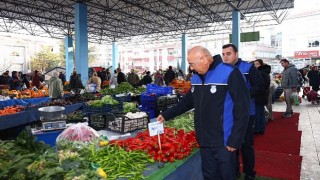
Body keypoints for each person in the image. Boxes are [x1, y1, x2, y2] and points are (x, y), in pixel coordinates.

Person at [157, 46, 250, 179]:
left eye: (192, 64)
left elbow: (243, 108)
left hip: (224, 142)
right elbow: (187, 102)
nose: (191, 68)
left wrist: (235, 139)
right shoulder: (196, 79)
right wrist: (166, 115)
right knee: (209, 176)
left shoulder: (230, 73)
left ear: (204, 59)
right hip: (205, 141)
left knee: (226, 176)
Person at [222, 44, 265, 179]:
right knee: (230, 144)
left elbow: (260, 86)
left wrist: (243, 95)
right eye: (223, 54)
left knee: (246, 145)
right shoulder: (222, 70)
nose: (225, 57)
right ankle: (234, 171)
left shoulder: (248, 68)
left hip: (247, 113)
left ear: (236, 54)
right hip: (229, 114)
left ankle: (249, 173)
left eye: (228, 54)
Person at [254, 59, 271, 131]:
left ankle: (257, 129)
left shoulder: (259, 73)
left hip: (259, 95)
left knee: (257, 112)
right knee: (261, 112)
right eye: (254, 64)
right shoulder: (265, 73)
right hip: (263, 95)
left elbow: (258, 86)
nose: (255, 65)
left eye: (257, 64)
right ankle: (261, 128)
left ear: (261, 65)